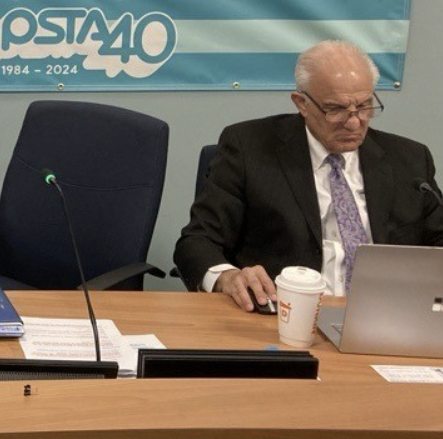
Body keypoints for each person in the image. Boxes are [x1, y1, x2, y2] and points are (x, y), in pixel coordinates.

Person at [174, 40, 443, 312]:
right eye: (336, 108)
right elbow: (198, 241)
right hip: (282, 315)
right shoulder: (248, 148)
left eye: (364, 106)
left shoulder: (409, 160)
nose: (354, 122)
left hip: (388, 316)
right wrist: (228, 278)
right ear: (302, 103)